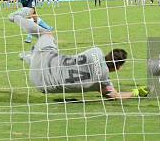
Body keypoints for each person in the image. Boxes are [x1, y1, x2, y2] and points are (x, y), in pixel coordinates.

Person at [8, 7, 149, 99]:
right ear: (118, 68)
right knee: (54, 59)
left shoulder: (96, 51)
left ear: (108, 54)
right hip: (41, 85)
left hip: (46, 62)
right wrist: (136, 92)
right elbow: (115, 96)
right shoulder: (103, 81)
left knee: (47, 34)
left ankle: (16, 17)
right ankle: (30, 57)